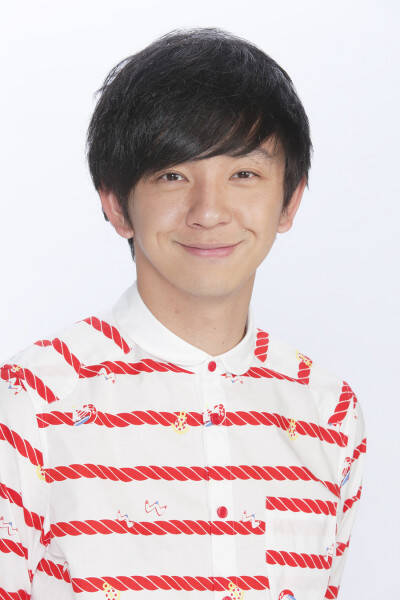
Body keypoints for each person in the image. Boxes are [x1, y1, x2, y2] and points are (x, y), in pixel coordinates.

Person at [0, 27, 367, 600]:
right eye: (173, 175)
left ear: (290, 200)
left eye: (243, 174)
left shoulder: (328, 411)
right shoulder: (31, 402)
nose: (209, 211)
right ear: (116, 204)